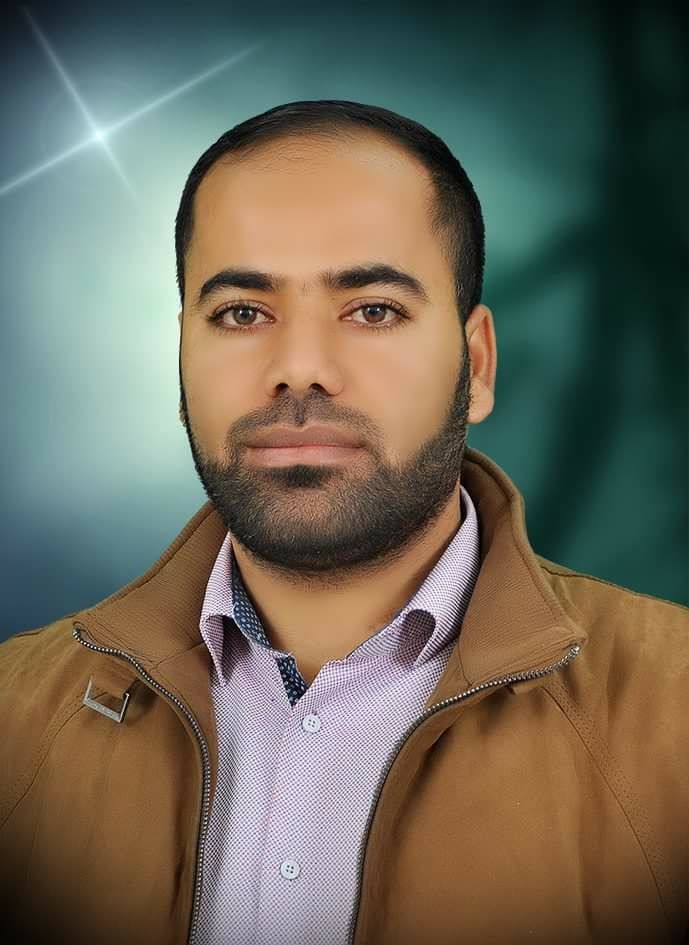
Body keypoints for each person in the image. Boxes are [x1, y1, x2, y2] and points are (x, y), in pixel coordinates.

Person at [1, 99, 686, 945]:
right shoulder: (12, 722)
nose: (299, 369)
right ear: (182, 357)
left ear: (475, 365)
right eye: (242, 313)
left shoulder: (675, 720)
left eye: (372, 309)